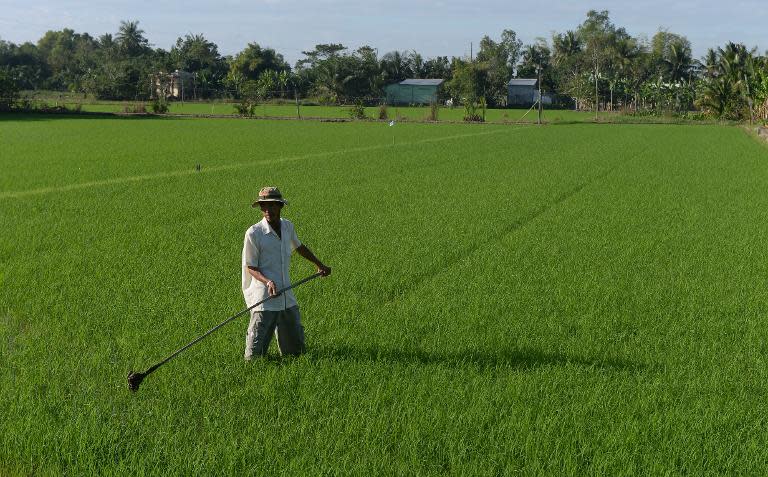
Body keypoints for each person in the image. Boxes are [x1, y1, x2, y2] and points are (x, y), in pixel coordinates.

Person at [241, 186, 331, 359]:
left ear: (280, 206)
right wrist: (267, 281)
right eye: (264, 206)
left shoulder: (288, 226)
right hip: (264, 296)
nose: (268, 210)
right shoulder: (254, 233)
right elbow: (250, 266)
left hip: (285, 292)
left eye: (272, 206)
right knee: (255, 355)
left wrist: (319, 264)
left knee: (295, 352)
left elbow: (298, 247)